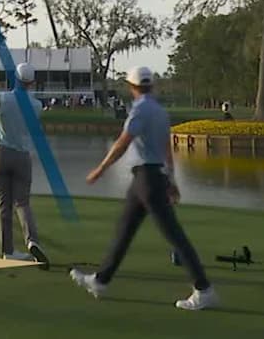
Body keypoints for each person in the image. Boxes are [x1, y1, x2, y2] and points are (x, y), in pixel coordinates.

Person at [71, 65, 218, 311]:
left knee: (174, 235)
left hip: (147, 179)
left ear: (132, 87)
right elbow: (166, 150)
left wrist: (100, 169)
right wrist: (171, 180)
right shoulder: (160, 111)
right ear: (151, 85)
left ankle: (204, 289)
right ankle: (101, 280)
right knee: (124, 230)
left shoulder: (140, 110)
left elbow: (121, 143)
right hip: (149, 178)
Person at [0, 62, 49, 266]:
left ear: (15, 78)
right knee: (22, 202)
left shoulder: (0, 98)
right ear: (31, 83)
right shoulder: (36, 105)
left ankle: (8, 251)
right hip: (21, 156)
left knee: (4, 204)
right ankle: (31, 240)